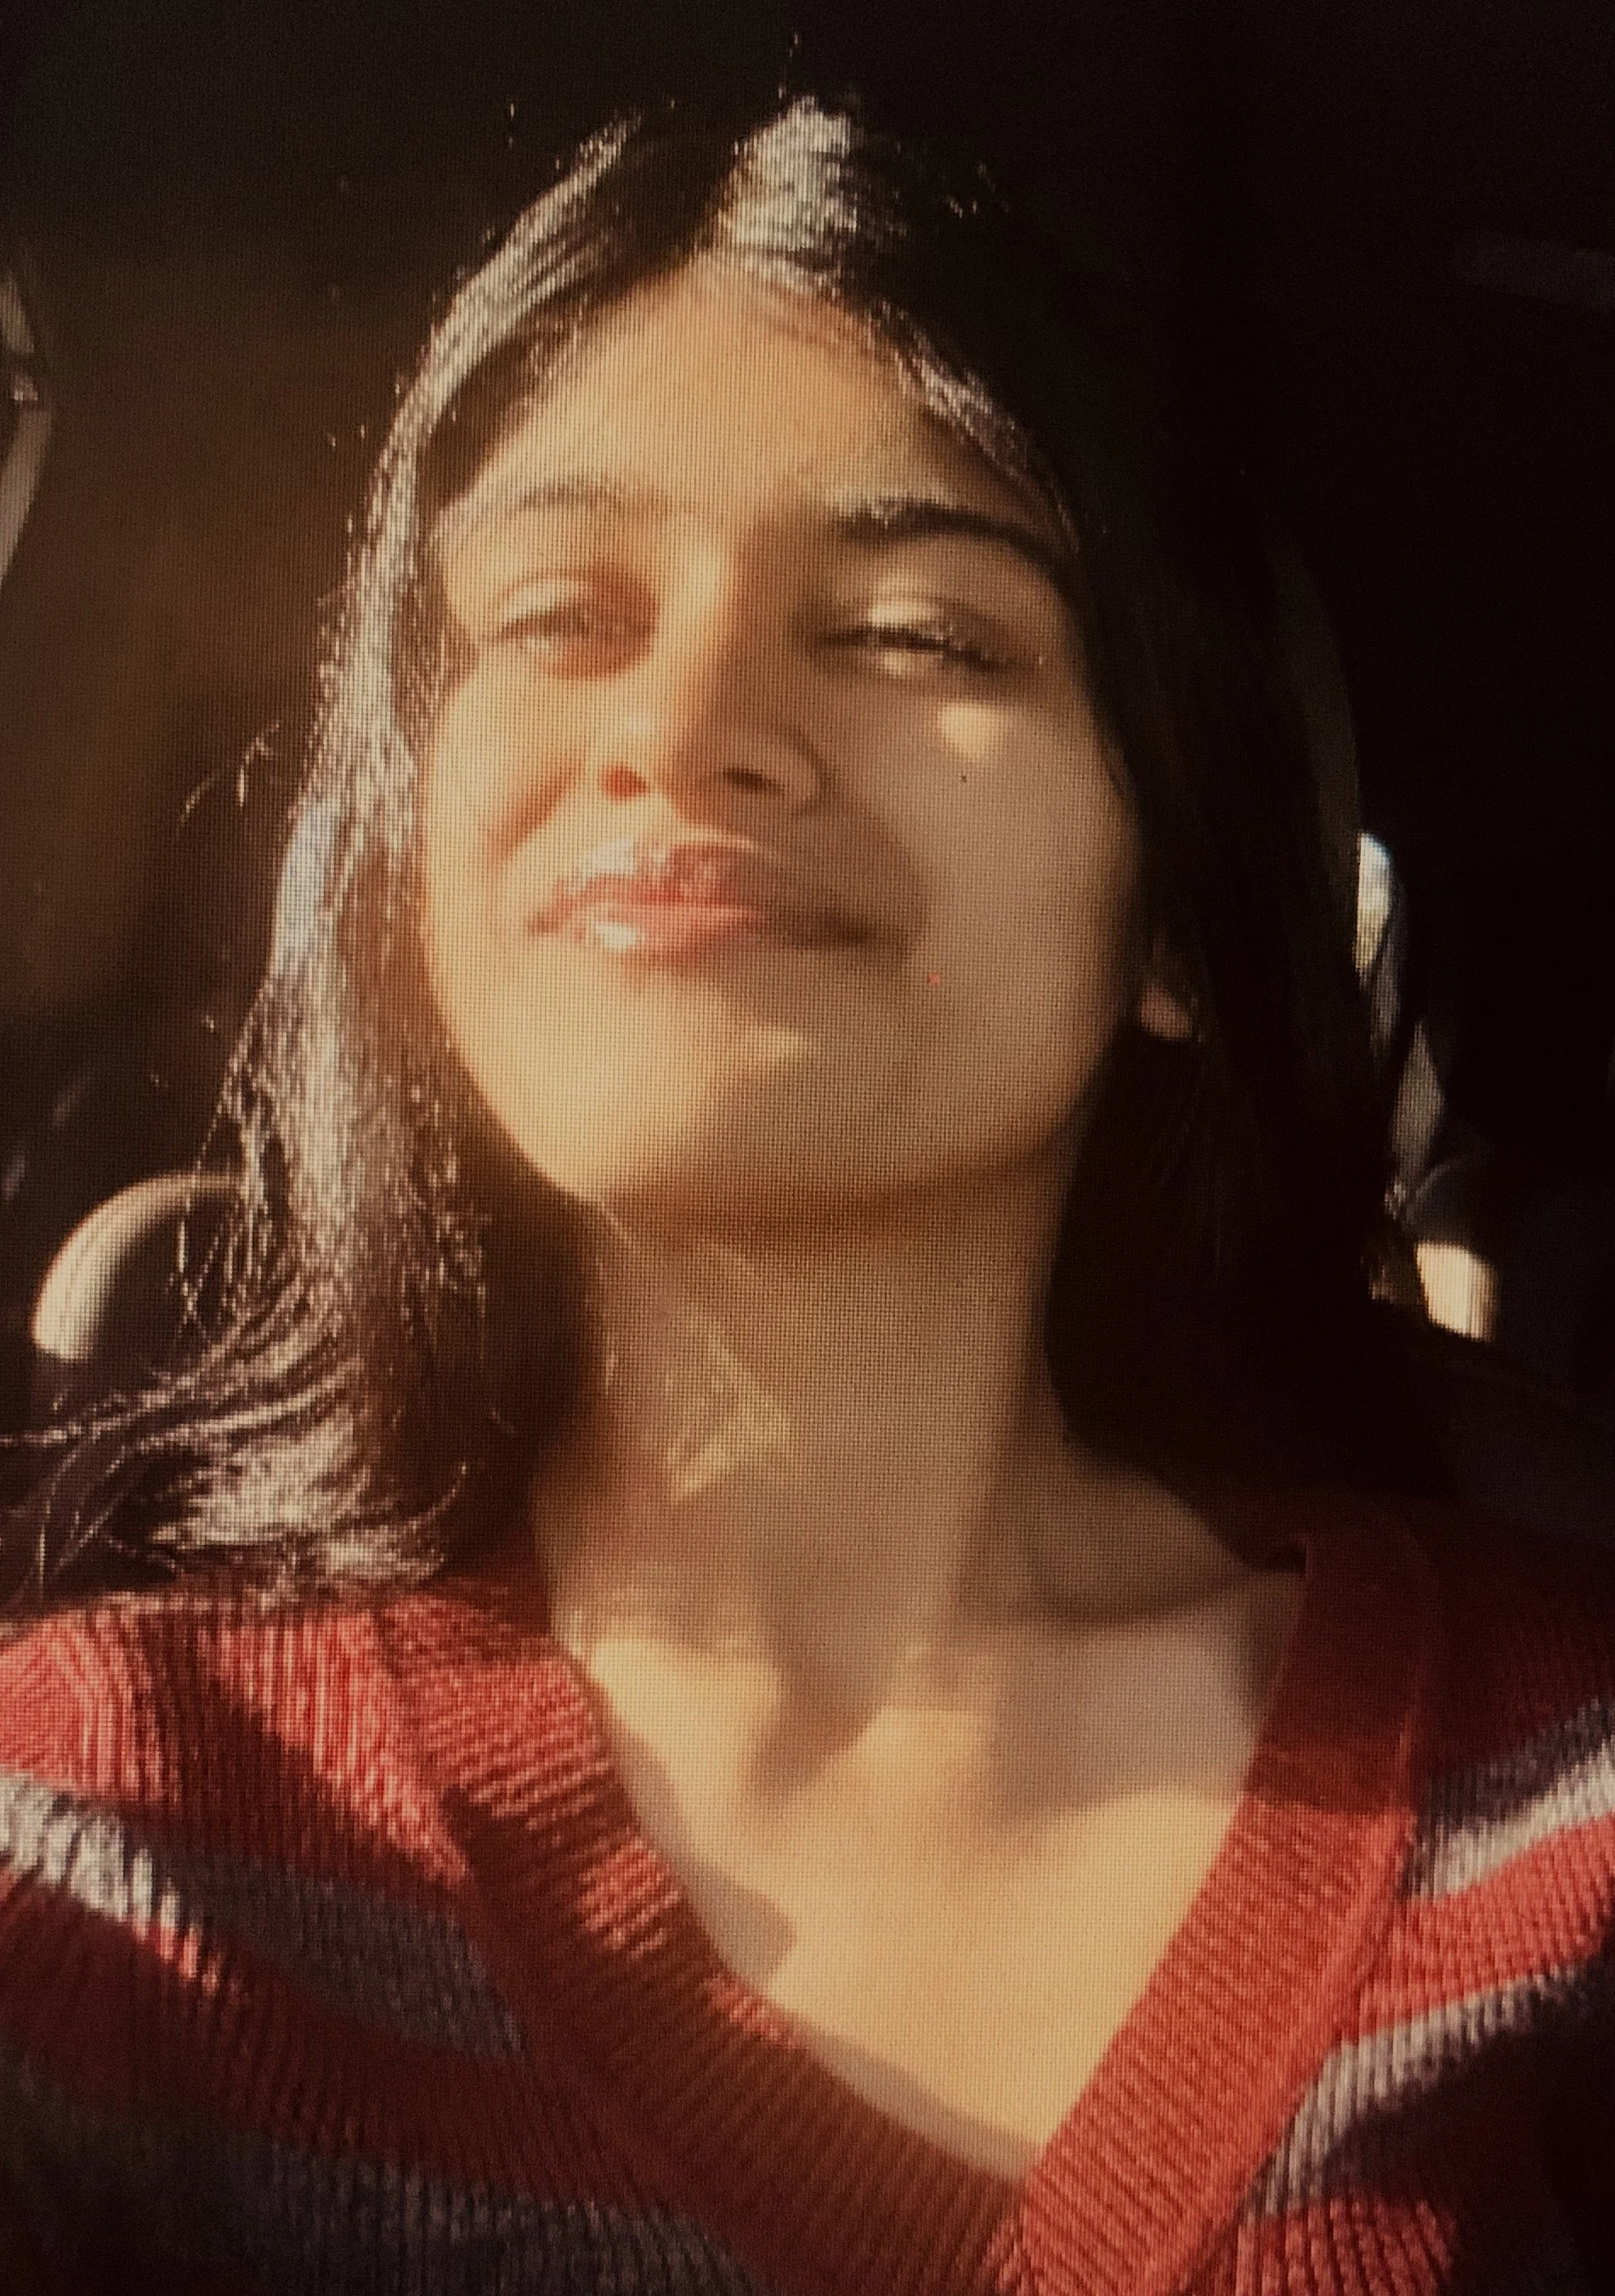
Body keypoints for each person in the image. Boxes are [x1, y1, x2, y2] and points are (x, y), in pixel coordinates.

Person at [1, 93, 1611, 2296]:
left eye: (917, 633)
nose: (684, 723)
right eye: (560, 611)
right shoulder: (96, 1827)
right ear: (414, 869)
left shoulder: (1567, 1795)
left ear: (1166, 907)